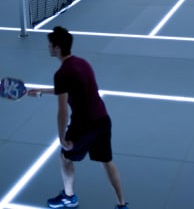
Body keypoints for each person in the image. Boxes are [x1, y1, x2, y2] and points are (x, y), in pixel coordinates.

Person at [28, 26, 129, 209]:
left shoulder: (61, 73)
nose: (48, 48)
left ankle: (69, 197)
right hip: (103, 120)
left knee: (65, 156)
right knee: (106, 161)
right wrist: (41, 91)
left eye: (50, 45)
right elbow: (71, 88)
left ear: (57, 48)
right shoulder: (83, 63)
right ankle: (122, 204)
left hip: (84, 126)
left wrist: (62, 137)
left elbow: (62, 112)